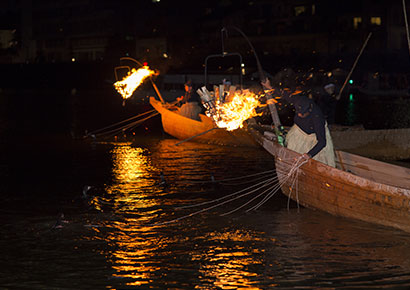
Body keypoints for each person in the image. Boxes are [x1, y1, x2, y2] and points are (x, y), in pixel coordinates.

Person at [261, 79, 336, 167]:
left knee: (317, 162)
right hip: (299, 132)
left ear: (309, 111)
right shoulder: (298, 100)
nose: (300, 115)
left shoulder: (317, 118)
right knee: (292, 153)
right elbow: (284, 94)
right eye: (298, 112)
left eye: (303, 114)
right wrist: (270, 87)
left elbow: (322, 142)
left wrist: (309, 154)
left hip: (313, 138)